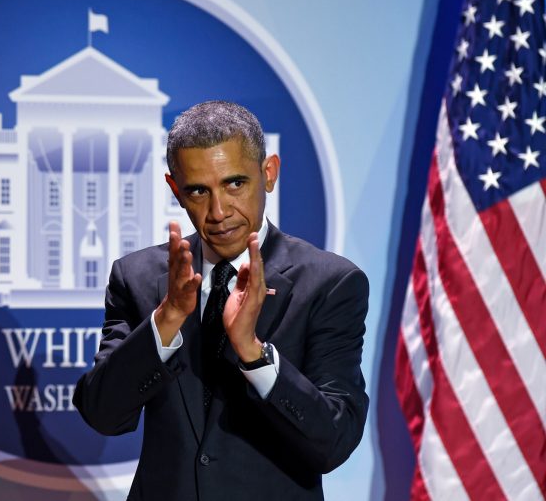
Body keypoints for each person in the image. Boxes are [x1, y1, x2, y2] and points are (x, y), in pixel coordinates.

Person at [73, 101, 369, 500]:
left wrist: (253, 353)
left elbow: (333, 441)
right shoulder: (138, 278)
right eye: (198, 190)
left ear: (268, 174)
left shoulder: (330, 284)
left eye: (234, 184)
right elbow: (103, 414)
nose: (218, 211)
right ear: (175, 190)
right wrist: (168, 318)